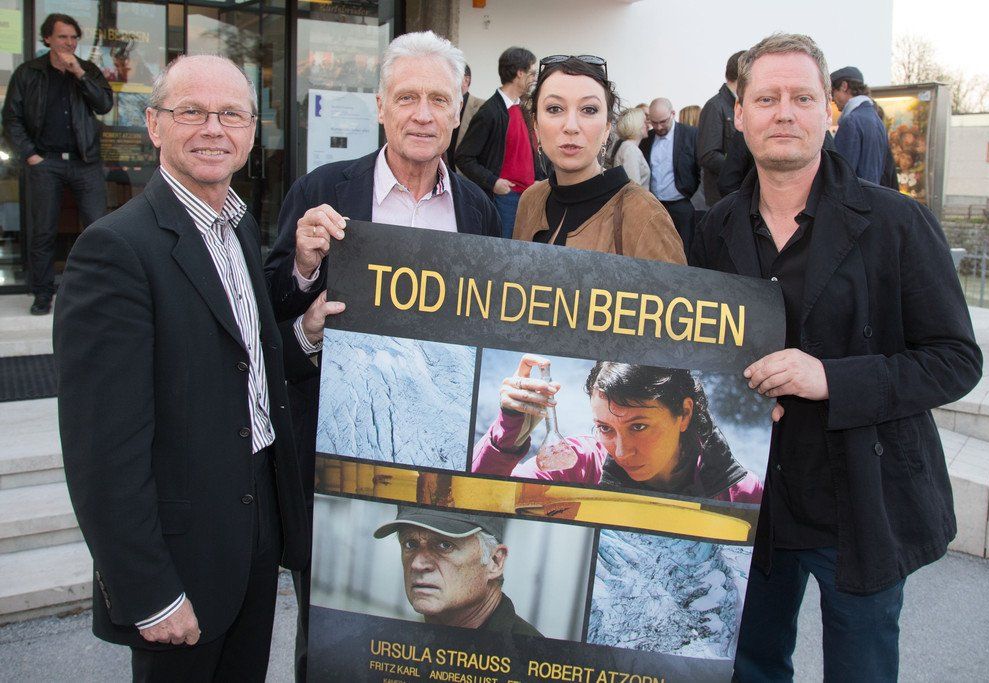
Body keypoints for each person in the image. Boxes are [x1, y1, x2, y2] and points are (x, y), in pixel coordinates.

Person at [690, 33, 982, 680]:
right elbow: (700, 353)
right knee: (751, 666)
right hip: (753, 502)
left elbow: (955, 359)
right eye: (766, 98)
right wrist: (725, 392)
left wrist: (830, 378)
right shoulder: (713, 229)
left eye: (802, 98)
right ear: (738, 114)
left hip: (861, 500)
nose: (784, 113)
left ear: (830, 111)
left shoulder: (897, 224)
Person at [54, 54, 327, 680]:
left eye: (231, 114)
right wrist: (148, 590)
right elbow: (101, 449)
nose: (213, 129)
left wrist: (304, 334)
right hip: (182, 551)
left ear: (252, 133)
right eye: (192, 112)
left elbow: (239, 367)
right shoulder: (115, 249)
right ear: (154, 125)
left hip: (255, 524)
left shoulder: (237, 229)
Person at [263, 30, 501, 680]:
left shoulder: (479, 209)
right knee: (332, 644)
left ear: (459, 110)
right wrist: (305, 271)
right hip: (339, 456)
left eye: (438, 99)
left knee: (434, 649)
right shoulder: (323, 190)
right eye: (406, 97)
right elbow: (271, 301)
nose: (423, 114)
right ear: (379, 106)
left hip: (437, 463)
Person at [473, 357, 762, 503]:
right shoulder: (577, 465)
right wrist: (505, 439)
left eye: (639, 426)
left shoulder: (743, 493)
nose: (621, 452)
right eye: (605, 428)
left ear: (685, 413)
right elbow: (475, 503)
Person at [512, 56, 684, 264]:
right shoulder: (530, 200)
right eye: (554, 108)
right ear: (536, 125)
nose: (571, 126)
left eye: (589, 109)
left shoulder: (645, 215)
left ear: (607, 128)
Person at [2, 13, 112, 315]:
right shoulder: (28, 73)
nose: (69, 43)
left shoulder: (87, 70)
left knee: (98, 229)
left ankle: (102, 292)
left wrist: (80, 74)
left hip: (84, 162)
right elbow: (11, 119)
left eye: (74, 37)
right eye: (63, 37)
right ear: (48, 38)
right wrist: (30, 155)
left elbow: (104, 104)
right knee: (43, 231)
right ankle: (42, 293)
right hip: (45, 163)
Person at [374, 507, 541, 636]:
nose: (417, 564)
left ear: (495, 561)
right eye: (410, 544)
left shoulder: (531, 660)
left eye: (445, 545)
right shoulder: (400, 644)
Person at [455, 46, 545, 237]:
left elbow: (528, 152)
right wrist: (493, 182)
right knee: (505, 251)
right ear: (519, 73)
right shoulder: (489, 112)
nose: (534, 79)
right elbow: (463, 157)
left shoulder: (522, 110)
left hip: (528, 197)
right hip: (505, 200)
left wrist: (538, 179)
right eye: (532, 73)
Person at [639, 97, 700, 259]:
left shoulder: (691, 134)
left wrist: (693, 202)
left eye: (663, 122)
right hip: (655, 206)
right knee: (657, 251)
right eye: (654, 123)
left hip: (683, 204)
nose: (659, 127)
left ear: (673, 114)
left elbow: (701, 170)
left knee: (684, 252)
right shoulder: (647, 139)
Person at [698, 50, 744, 207]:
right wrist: (740, 168)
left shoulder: (741, 104)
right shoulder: (715, 106)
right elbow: (708, 155)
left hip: (739, 193)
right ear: (743, 74)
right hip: (723, 198)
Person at [830, 65, 889, 184]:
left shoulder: (851, 121)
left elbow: (841, 175)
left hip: (855, 194)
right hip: (872, 192)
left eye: (833, 92)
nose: (832, 99)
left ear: (844, 86)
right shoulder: (876, 119)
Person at [447, 63, 485, 171]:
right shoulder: (443, 105)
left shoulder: (482, 107)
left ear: (466, 80)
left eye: (454, 76)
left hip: (469, 175)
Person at [610, 107, 650, 189]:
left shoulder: (628, 147)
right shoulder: (630, 150)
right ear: (637, 125)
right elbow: (634, 188)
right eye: (644, 122)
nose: (648, 126)